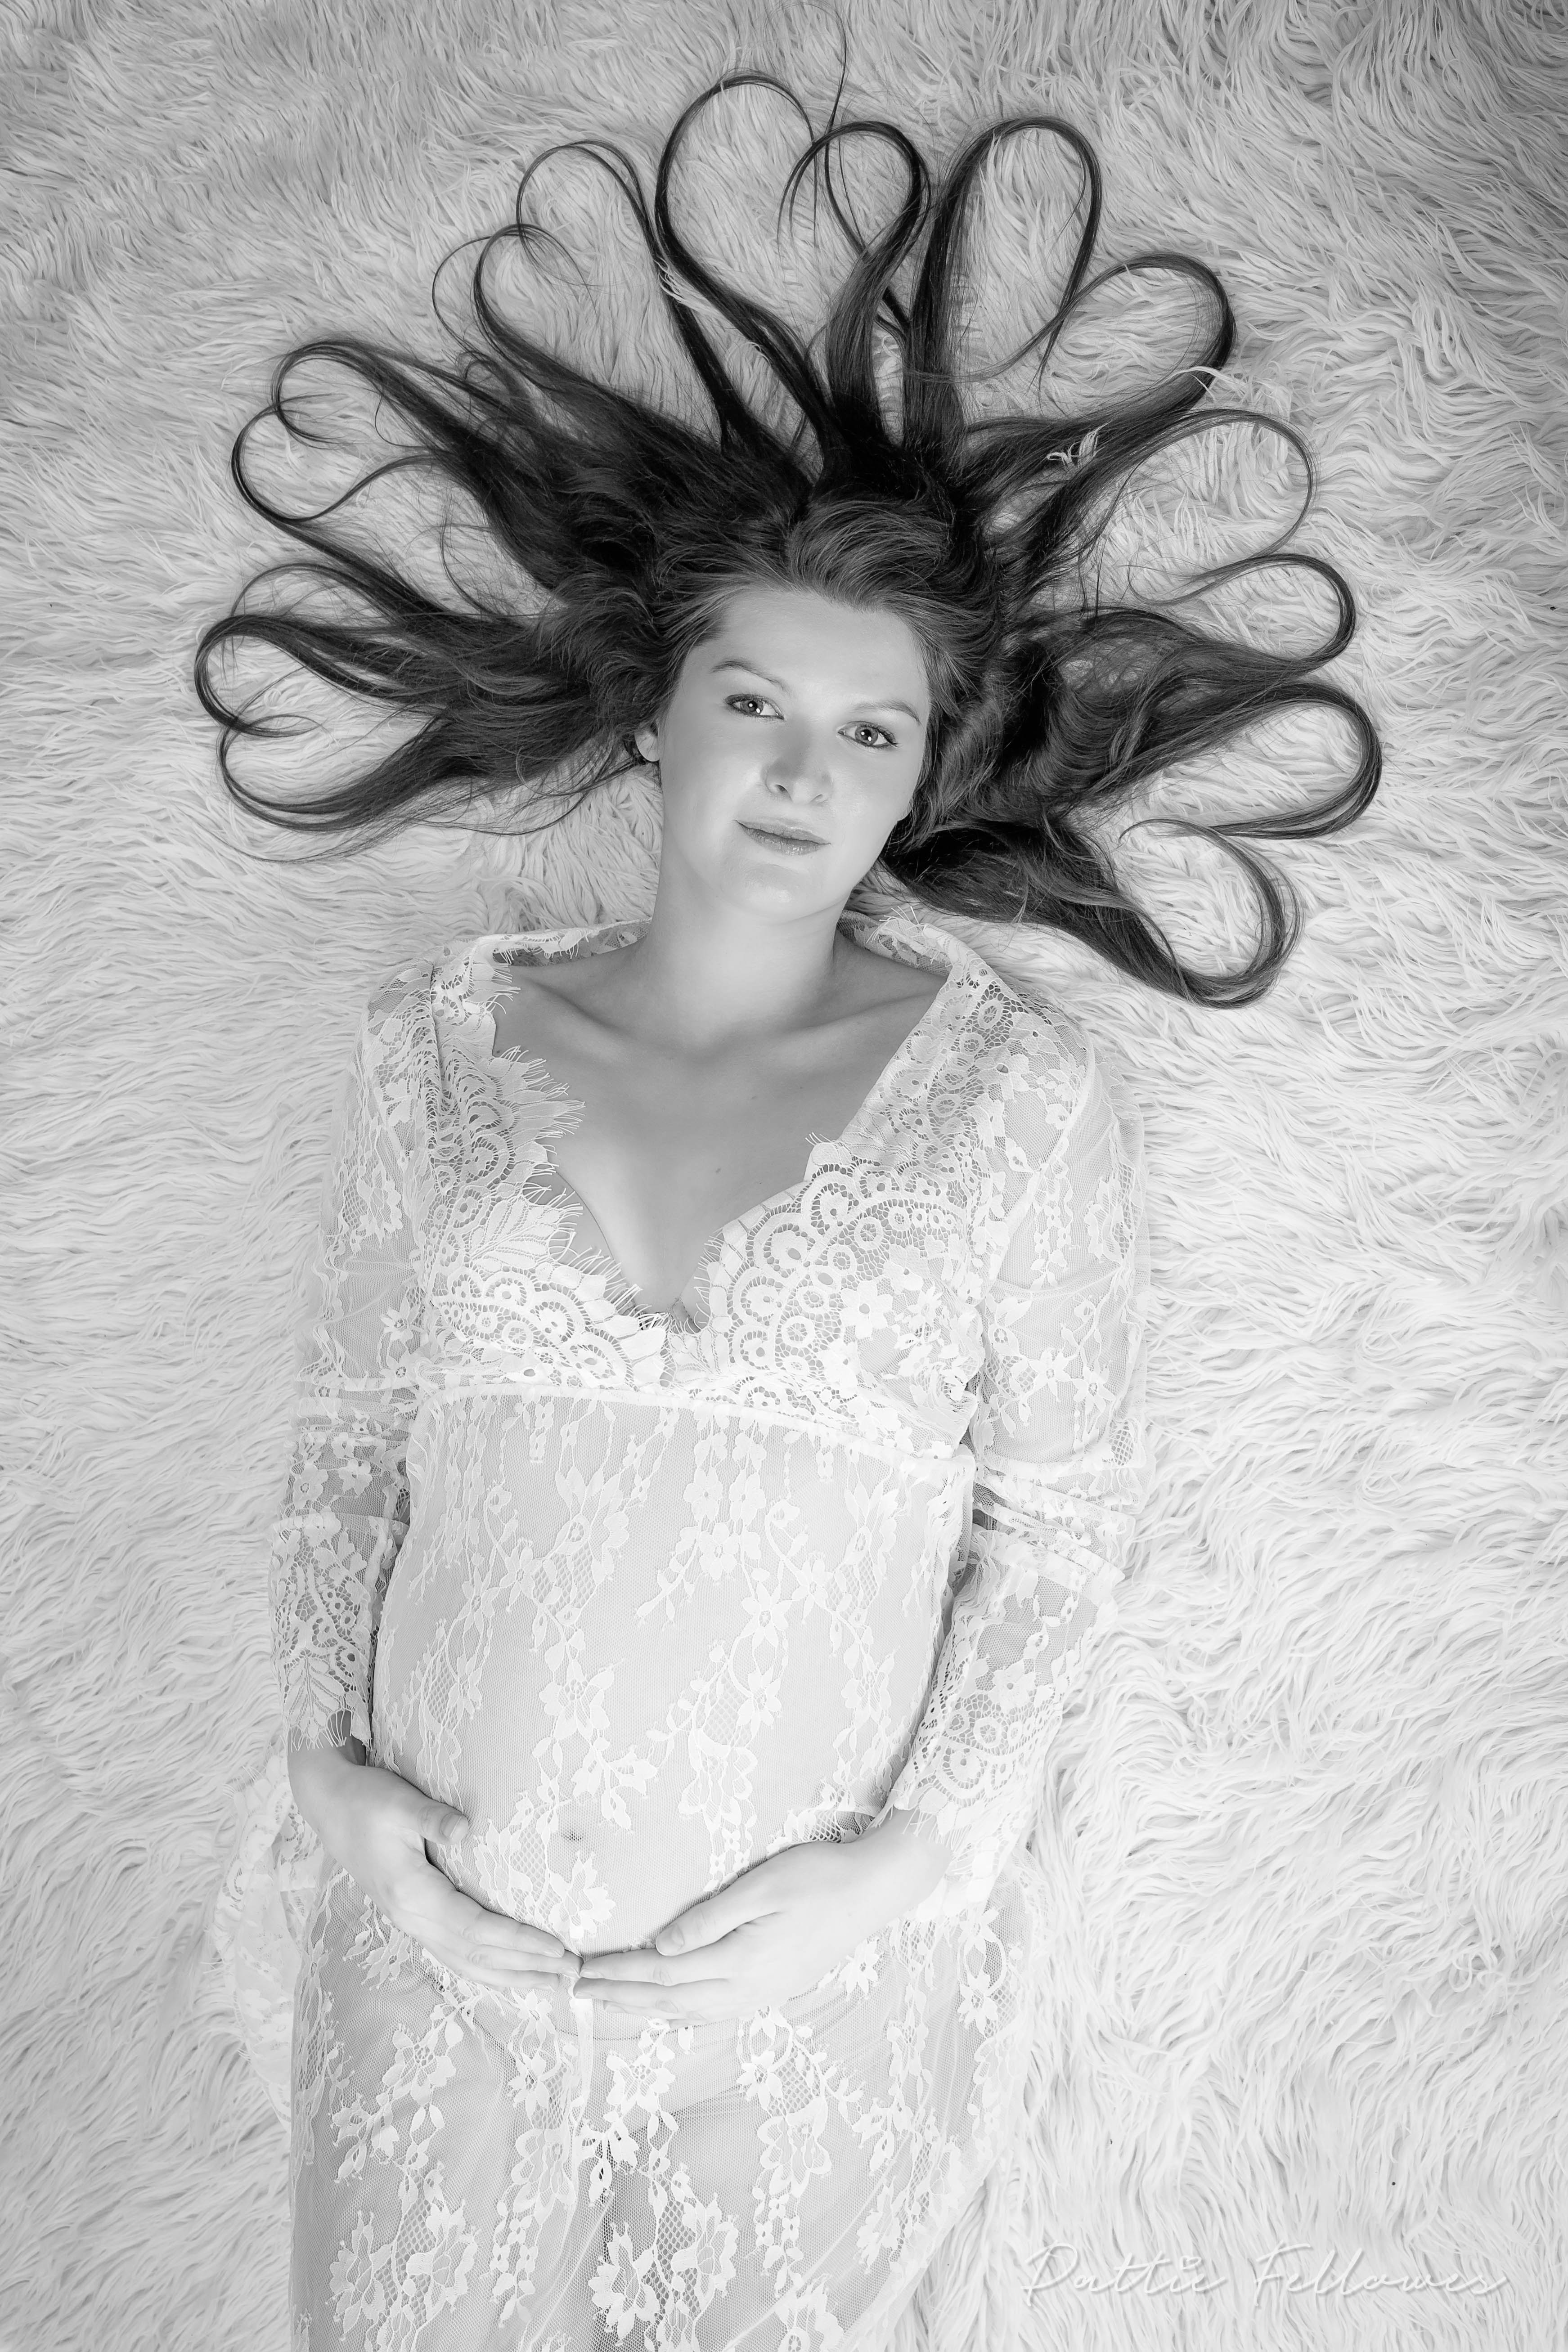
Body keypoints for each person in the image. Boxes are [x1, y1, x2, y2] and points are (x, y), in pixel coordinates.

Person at [196, 67, 1379, 2350]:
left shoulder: (1009, 1104)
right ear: (655, 719)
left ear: (917, 777)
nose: (798, 770)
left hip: (801, 1985)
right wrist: (330, 1783)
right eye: (753, 699)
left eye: (867, 731)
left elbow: (1057, 1538)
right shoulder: (434, 1044)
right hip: (442, 1947)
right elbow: (346, 1453)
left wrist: (899, 1866)